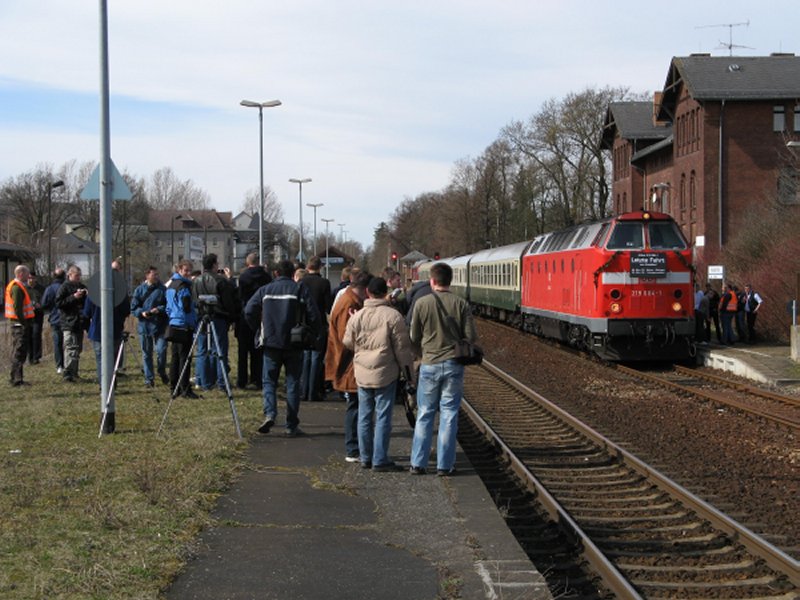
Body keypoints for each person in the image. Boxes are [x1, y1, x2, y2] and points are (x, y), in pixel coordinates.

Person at [409, 262, 477, 476]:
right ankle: (444, 465)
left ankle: (418, 463)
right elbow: (471, 337)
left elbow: (413, 337)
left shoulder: (422, 303)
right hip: (454, 365)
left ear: (432, 280)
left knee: (425, 413)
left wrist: (422, 353)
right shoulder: (461, 304)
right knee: (449, 414)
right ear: (450, 281)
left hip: (429, 364)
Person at [343, 277, 414, 471]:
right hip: (386, 372)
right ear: (386, 293)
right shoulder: (393, 316)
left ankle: (365, 457)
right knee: (383, 416)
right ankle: (380, 458)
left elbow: (347, 342)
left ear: (367, 292)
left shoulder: (357, 316)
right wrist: (409, 374)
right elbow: (402, 350)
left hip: (362, 373)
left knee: (364, 415)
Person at [245, 259, 321, 437]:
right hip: (294, 342)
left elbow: (249, 310)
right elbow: (313, 313)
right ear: (292, 273)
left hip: (271, 341)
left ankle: (270, 413)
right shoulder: (299, 289)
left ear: (276, 273)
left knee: (269, 381)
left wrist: (258, 327)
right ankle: (291, 425)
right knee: (293, 383)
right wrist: (313, 333)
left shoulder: (265, 290)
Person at [326, 271, 370, 461]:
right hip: (349, 365)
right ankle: (353, 449)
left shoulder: (348, 300)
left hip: (349, 363)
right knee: (355, 406)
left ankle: (356, 447)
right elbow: (347, 340)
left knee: (356, 406)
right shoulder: (350, 304)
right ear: (365, 290)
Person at [192, 254, 239, 392]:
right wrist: (232, 317)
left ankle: (204, 381)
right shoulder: (220, 281)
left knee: (202, 350)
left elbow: (195, 300)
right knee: (219, 350)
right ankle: (222, 382)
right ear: (214, 265)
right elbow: (228, 302)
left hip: (202, 317)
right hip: (218, 317)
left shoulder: (196, 281)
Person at [235, 253, 271, 390]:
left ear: (247, 262)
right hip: (261, 315)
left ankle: (242, 380)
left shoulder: (243, 277)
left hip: (245, 315)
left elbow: (240, 296)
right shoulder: (266, 277)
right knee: (258, 349)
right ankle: (257, 378)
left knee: (243, 352)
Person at [300, 256, 333, 403]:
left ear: (308, 267)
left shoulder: (301, 282)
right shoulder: (324, 283)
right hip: (318, 323)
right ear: (320, 267)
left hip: (304, 323)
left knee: (305, 357)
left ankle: (303, 391)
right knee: (316, 358)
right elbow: (328, 306)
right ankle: (313, 392)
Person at [166, 260, 199, 398]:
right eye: (186, 270)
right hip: (184, 324)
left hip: (173, 322)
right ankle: (185, 388)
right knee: (185, 358)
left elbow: (168, 306)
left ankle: (174, 387)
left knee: (175, 357)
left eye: (190, 270)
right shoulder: (184, 287)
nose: (188, 273)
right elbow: (186, 307)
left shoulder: (170, 285)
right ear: (179, 270)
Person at [131, 266, 169, 387]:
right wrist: (141, 312)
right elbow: (133, 307)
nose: (156, 277)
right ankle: (149, 378)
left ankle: (161, 371)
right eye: (154, 275)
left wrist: (159, 309)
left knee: (161, 350)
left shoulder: (163, 289)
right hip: (144, 326)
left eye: (157, 274)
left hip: (160, 325)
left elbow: (168, 305)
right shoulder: (139, 290)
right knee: (146, 353)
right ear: (147, 275)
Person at [82, 291, 130, 384]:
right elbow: (126, 311)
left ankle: (104, 385)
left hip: (97, 331)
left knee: (101, 360)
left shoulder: (93, 294)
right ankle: (111, 384)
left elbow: (86, 313)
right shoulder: (119, 293)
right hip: (115, 330)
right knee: (112, 359)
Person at [55, 266, 88, 382]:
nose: (78, 278)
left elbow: (87, 303)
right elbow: (59, 303)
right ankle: (68, 373)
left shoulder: (82, 287)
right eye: (76, 276)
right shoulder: (64, 287)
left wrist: (85, 295)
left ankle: (74, 372)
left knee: (77, 349)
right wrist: (73, 297)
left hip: (79, 322)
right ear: (70, 275)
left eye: (79, 276)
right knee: (70, 347)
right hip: (68, 322)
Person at [6, 264, 35, 386]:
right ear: (20, 274)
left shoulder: (19, 286)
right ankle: (16, 380)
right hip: (19, 325)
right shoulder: (17, 288)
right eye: (27, 273)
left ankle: (17, 377)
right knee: (19, 351)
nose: (29, 276)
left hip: (19, 324)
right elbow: (17, 308)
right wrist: (24, 323)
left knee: (20, 351)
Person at [41, 268, 66, 374]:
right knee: (70, 343)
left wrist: (52, 307)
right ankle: (70, 364)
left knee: (57, 343)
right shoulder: (66, 287)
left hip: (55, 319)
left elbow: (43, 304)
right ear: (64, 276)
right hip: (67, 319)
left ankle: (59, 365)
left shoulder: (50, 289)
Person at [25, 272, 46, 364]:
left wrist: (39, 306)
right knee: (28, 335)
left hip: (38, 315)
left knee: (36, 334)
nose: (31, 280)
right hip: (27, 315)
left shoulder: (41, 289)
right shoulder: (24, 289)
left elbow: (45, 301)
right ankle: (30, 357)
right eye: (29, 278)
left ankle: (36, 357)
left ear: (35, 279)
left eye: (32, 278)